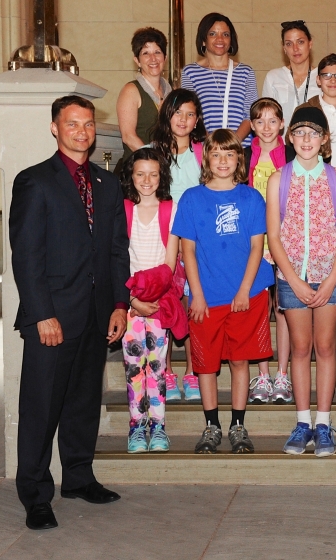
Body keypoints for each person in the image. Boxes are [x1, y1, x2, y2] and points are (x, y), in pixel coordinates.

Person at [9, 95, 129, 531]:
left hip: (97, 315)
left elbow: (118, 250)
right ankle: (36, 494)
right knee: (41, 408)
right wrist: (42, 314)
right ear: (55, 129)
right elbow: (26, 257)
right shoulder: (35, 181)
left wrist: (119, 304)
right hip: (52, 319)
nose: (82, 131)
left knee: (82, 404)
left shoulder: (107, 183)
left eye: (88, 124)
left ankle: (78, 478)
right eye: (72, 124)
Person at [172, 129, 274, 455]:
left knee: (240, 361)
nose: (223, 161)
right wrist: (196, 294)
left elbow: (258, 246)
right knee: (206, 364)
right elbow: (187, 251)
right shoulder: (192, 198)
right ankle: (212, 425)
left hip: (246, 294)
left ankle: (238, 425)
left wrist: (244, 291)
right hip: (207, 296)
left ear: (239, 160)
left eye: (229, 154)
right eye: (216, 154)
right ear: (207, 159)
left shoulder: (251, 198)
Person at [267, 107, 336, 458]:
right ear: (290, 137)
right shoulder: (278, 179)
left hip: (330, 275)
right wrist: (294, 280)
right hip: (292, 277)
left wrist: (332, 277)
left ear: (325, 139)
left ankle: (323, 422)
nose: (306, 139)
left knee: (326, 347)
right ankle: (302, 423)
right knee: (300, 350)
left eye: (313, 133)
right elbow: (273, 235)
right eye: (299, 132)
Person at [119, 148, 181, 454]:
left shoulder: (170, 209)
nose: (147, 180)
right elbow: (117, 259)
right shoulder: (123, 209)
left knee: (156, 366)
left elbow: (169, 264)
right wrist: (131, 300)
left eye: (153, 174)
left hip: (158, 301)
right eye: (140, 174)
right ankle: (136, 427)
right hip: (130, 303)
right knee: (134, 367)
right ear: (131, 175)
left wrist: (150, 297)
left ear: (162, 176)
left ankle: (158, 426)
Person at [149, 88, 207, 403]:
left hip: (197, 242)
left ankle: (192, 372)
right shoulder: (151, 151)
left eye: (189, 113)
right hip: (161, 241)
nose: (183, 120)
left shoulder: (204, 150)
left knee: (193, 306)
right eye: (177, 112)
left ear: (197, 119)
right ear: (166, 115)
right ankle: (167, 371)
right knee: (167, 307)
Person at [245, 97, 293, 405]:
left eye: (272, 121)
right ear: (251, 125)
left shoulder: (289, 153)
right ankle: (262, 374)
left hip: (284, 240)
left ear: (282, 124)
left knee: (283, 308)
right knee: (259, 309)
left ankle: (282, 374)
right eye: (260, 121)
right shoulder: (244, 153)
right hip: (253, 243)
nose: (266, 127)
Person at [181, 13, 257, 140]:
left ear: (231, 40)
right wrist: (212, 145)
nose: (220, 39)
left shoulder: (245, 72)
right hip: (206, 149)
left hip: (241, 148)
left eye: (225, 34)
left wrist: (232, 144)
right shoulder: (190, 72)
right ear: (203, 40)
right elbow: (190, 113)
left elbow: (251, 114)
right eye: (212, 34)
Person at [116, 27, 172, 162]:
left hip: (165, 168)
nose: (153, 59)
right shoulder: (131, 90)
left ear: (165, 57)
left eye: (157, 52)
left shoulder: (172, 93)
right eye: (146, 53)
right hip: (139, 167)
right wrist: (156, 160)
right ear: (137, 60)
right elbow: (128, 137)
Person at [261, 20, 319, 122]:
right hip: (281, 138)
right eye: (289, 44)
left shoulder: (323, 77)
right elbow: (266, 117)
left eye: (300, 42)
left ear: (310, 44)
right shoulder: (273, 77)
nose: (295, 48)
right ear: (284, 48)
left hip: (314, 137)